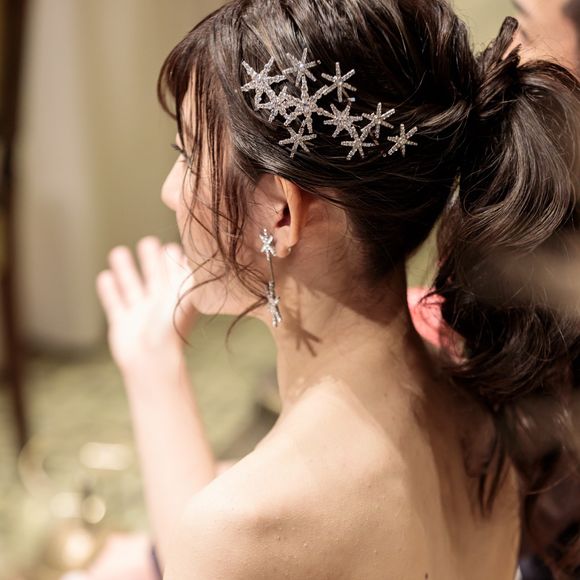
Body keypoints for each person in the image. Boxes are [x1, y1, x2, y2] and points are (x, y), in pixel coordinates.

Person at [93, 0, 580, 578]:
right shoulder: (487, 407)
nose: (170, 191)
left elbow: (235, 536)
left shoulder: (238, 528)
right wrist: (154, 369)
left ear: (280, 213)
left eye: (188, 155)